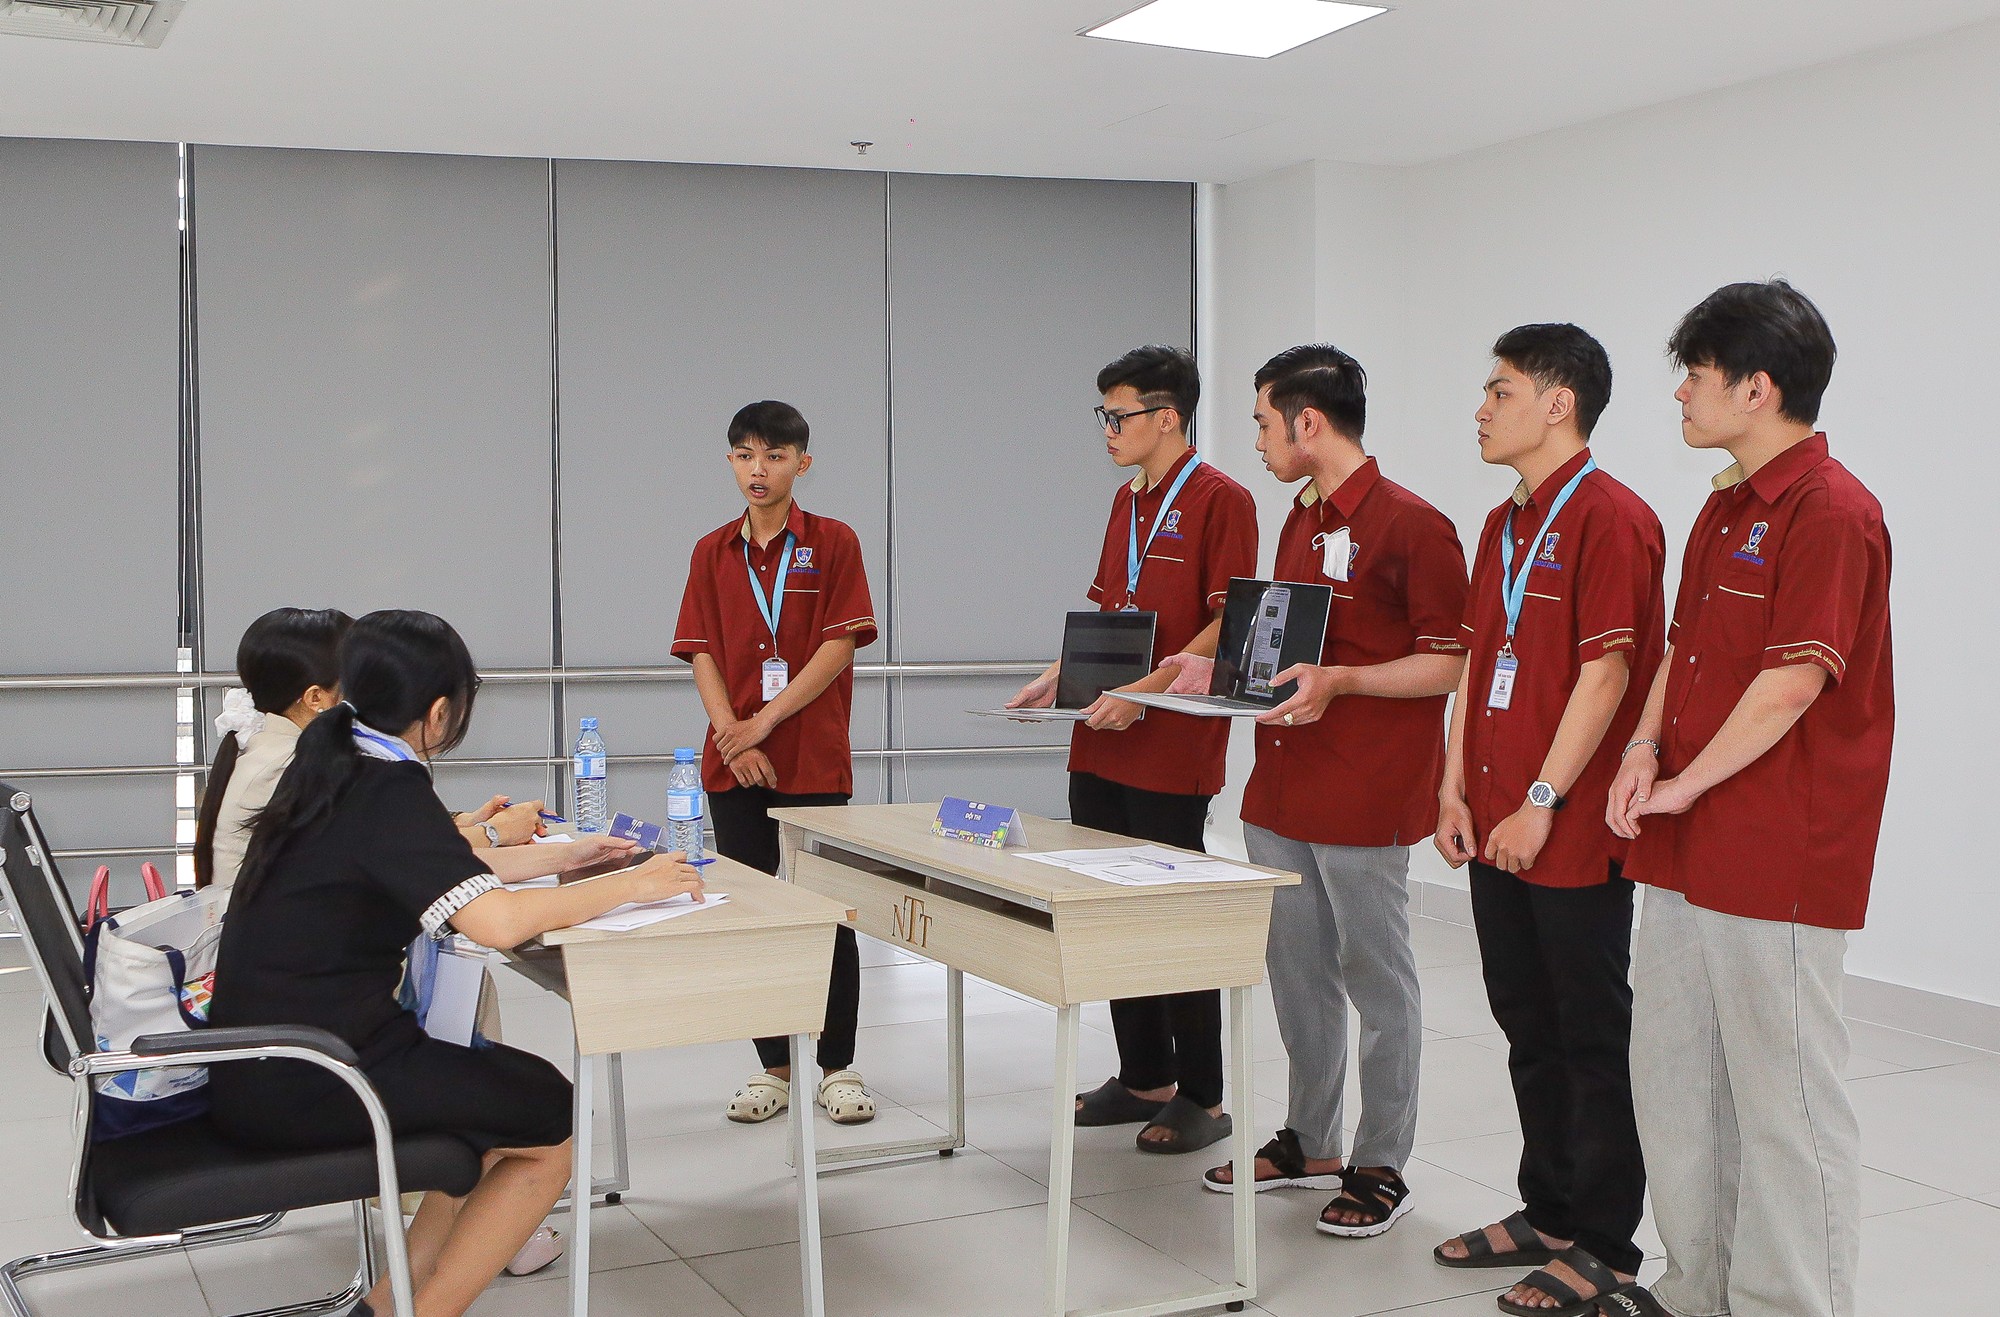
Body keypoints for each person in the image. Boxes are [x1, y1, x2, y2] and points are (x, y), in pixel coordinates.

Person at [209, 610, 703, 1317]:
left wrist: (567, 858)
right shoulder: (385, 785)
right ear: (439, 712)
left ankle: (387, 1306)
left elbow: (435, 860)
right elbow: (496, 922)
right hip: (317, 1071)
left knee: (493, 1107)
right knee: (555, 1120)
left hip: (270, 1057)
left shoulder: (337, 752)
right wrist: (633, 886)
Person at [1606, 281, 1891, 1317]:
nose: (1680, 394)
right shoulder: (1723, 506)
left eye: (1694, 375)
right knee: (1678, 1083)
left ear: (1756, 387)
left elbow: (1792, 681)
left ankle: (1791, 1303)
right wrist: (1643, 749)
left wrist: (1685, 780)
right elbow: (1681, 649)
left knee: (1786, 1103)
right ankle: (1699, 1290)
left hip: (1778, 849)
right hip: (1686, 844)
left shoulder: (1832, 511)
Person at [1188, 346, 1467, 1238]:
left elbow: (1448, 662)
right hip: (1282, 785)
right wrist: (1215, 668)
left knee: (1377, 979)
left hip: (1366, 791)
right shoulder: (1300, 519)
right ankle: (1310, 1139)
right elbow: (1284, 642)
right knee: (1297, 970)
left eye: (1263, 423)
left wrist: (1343, 681)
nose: (1258, 441)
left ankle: (1381, 1160)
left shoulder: (1415, 525)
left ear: (1308, 422)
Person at [1431, 325, 1664, 1314]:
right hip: (1490, 816)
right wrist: (1451, 788)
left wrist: (1539, 801)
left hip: (1563, 828)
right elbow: (1476, 662)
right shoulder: (1502, 523)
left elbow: (1607, 675)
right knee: (1525, 1021)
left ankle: (1605, 1243)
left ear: (1558, 403)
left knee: (1587, 1034)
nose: (1481, 410)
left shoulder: (1613, 518)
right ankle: (1551, 1211)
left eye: (1500, 392)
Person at [1007, 344, 1258, 1155]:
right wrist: (1059, 677)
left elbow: (1226, 623)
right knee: (1108, 905)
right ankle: (1145, 1073)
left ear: (1168, 416)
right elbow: (1110, 616)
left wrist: (1143, 692)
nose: (1108, 430)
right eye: (1105, 416)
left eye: (1119, 416)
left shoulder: (1222, 499)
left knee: (1170, 910)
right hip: (1102, 737)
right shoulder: (1127, 500)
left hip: (1170, 740)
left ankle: (1204, 1093)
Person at [672, 400, 880, 1127]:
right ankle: (774, 1067)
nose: (758, 470)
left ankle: (838, 1065)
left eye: (774, 456)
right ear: (731, 462)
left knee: (827, 911)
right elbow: (700, 649)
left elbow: (838, 646)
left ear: (802, 463)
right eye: (745, 456)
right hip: (734, 761)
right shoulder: (710, 551)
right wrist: (733, 735)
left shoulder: (834, 542)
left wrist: (761, 722)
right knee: (753, 912)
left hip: (810, 758)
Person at [198, 608, 548, 893]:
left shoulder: (276, 748)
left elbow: (382, 843)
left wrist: (465, 823)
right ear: (316, 698)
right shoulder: (289, 764)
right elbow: (400, 855)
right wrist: (494, 833)